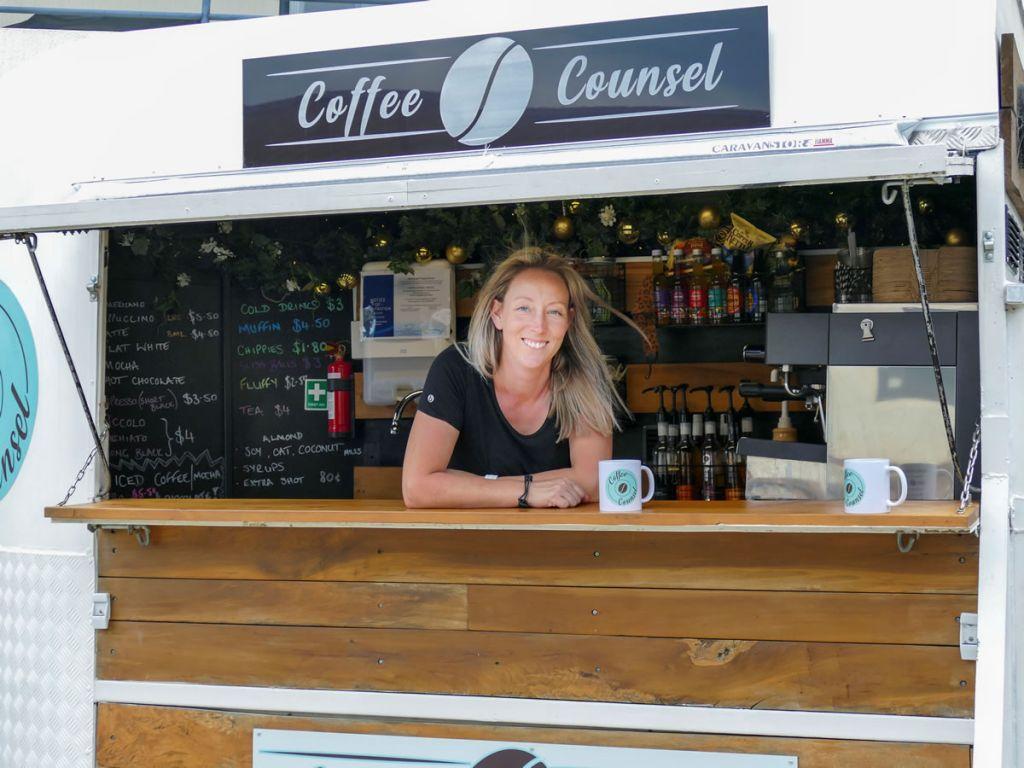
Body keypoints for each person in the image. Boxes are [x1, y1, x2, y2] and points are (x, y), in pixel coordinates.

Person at [402, 247, 641, 509]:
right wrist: (527, 492)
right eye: (524, 308)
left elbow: (593, 481)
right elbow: (417, 488)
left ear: (569, 321)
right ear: (497, 314)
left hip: (558, 543)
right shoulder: (456, 368)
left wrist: (477, 486)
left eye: (554, 312)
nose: (539, 326)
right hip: (467, 541)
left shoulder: (584, 375)